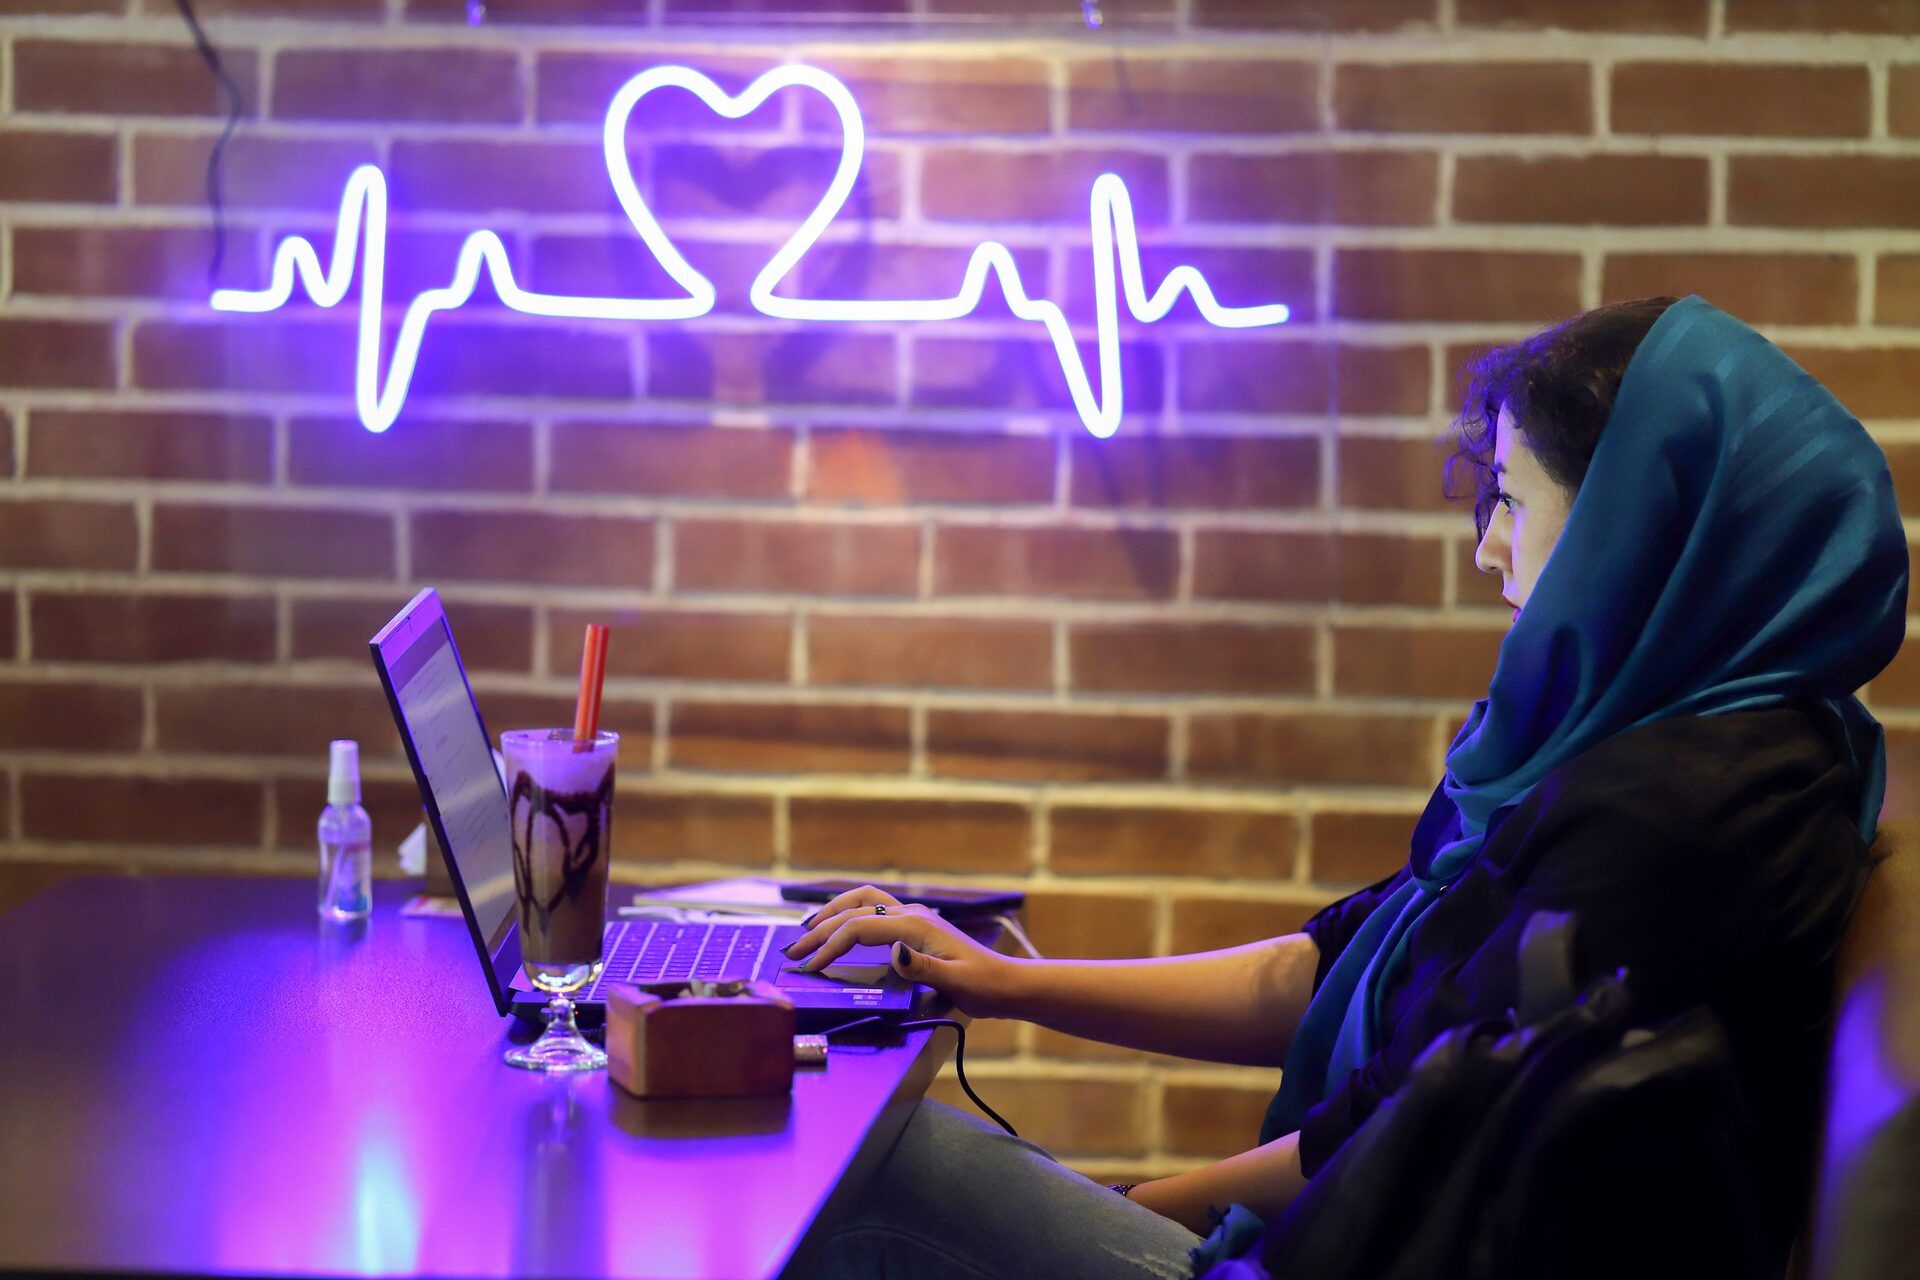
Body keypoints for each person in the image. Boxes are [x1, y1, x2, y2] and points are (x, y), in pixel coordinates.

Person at [785, 294, 1909, 1280]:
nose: (1487, 550)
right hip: (1369, 1226)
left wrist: (1134, 1206)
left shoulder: (1684, 818)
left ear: (1643, 524)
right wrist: (1003, 980)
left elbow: (1399, 1124)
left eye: (1515, 499)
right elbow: (1326, 963)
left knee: (877, 1182)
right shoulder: (1676, 742)